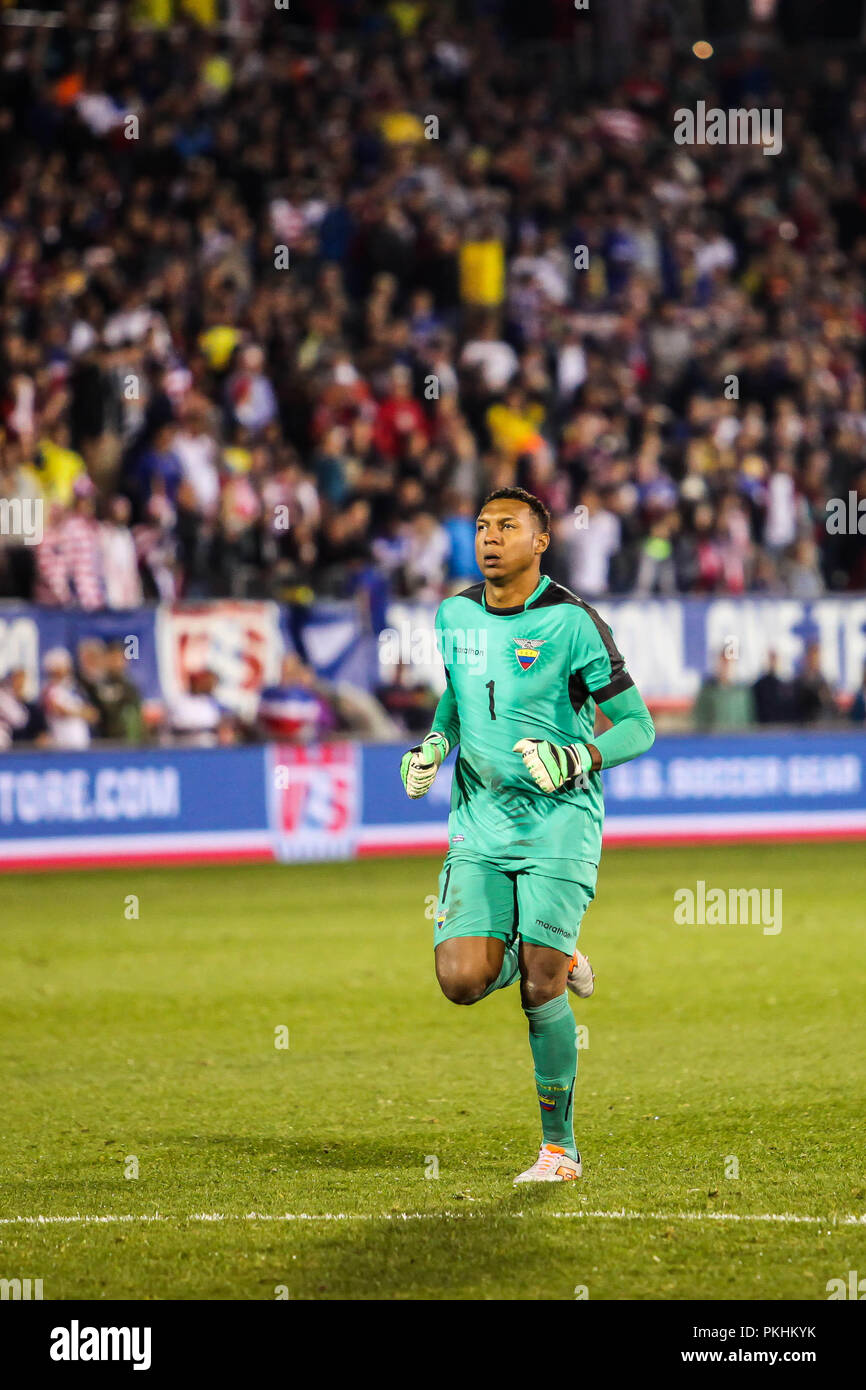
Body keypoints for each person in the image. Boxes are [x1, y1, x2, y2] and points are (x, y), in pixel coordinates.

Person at [399, 487, 655, 1184]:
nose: (489, 537)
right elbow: (457, 693)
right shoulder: (453, 614)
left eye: (507, 526)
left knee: (538, 988)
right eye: (482, 526)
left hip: (561, 822)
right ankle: (558, 955)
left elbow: (640, 725)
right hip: (478, 824)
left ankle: (559, 1150)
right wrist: (433, 744)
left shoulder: (573, 623)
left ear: (540, 540)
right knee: (460, 980)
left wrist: (580, 755)